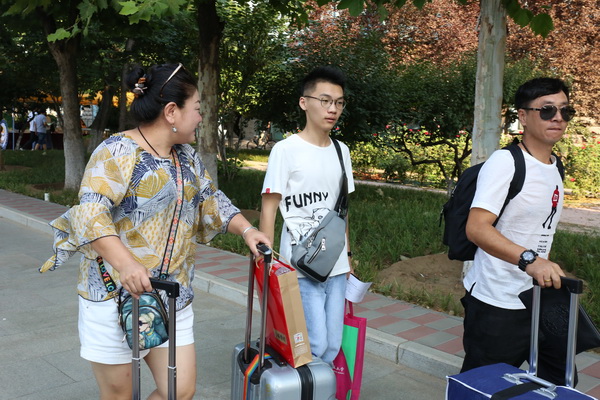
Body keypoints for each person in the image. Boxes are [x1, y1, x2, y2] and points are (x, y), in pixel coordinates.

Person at [40, 63, 271, 400]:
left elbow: (210, 198)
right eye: (197, 109)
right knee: (119, 395)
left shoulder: (187, 156)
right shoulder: (117, 151)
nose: (201, 117)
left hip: (171, 295)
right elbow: (90, 213)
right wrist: (127, 264)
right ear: (172, 112)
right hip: (115, 296)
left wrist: (247, 230)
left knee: (179, 391)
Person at [461, 77, 575, 385]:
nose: (558, 118)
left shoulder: (555, 165)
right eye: (547, 110)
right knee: (483, 387)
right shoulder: (506, 162)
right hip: (498, 302)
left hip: (539, 298)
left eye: (565, 110)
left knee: (559, 382)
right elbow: (477, 228)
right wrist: (530, 260)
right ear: (523, 116)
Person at [259, 66, 355, 365]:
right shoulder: (286, 150)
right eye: (325, 100)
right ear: (304, 102)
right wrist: (267, 261)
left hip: (336, 263)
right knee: (314, 344)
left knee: (333, 345)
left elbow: (342, 210)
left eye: (338, 102)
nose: (332, 109)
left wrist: (348, 256)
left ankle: (317, 386)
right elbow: (269, 206)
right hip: (300, 263)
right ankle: (304, 384)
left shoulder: (341, 151)